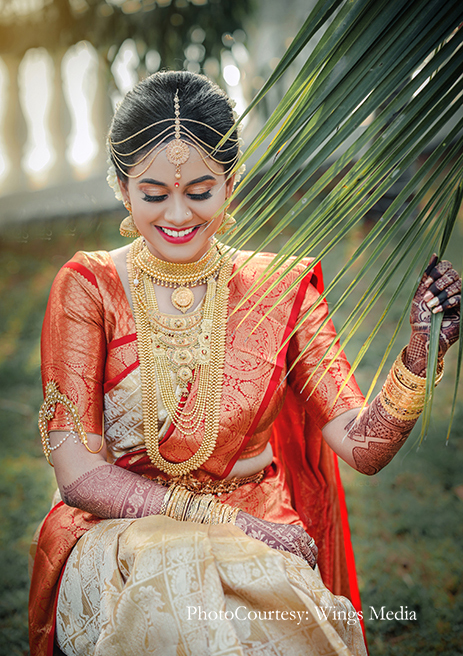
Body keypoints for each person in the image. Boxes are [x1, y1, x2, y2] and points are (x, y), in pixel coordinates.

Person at [29, 71, 461, 656]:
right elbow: (78, 475)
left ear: (230, 183)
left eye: (200, 190)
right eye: (154, 193)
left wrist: (418, 353)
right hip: (122, 539)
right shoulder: (89, 288)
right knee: (171, 611)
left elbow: (364, 447)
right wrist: (218, 525)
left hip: (263, 533)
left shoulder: (278, 291)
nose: (177, 214)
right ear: (122, 185)